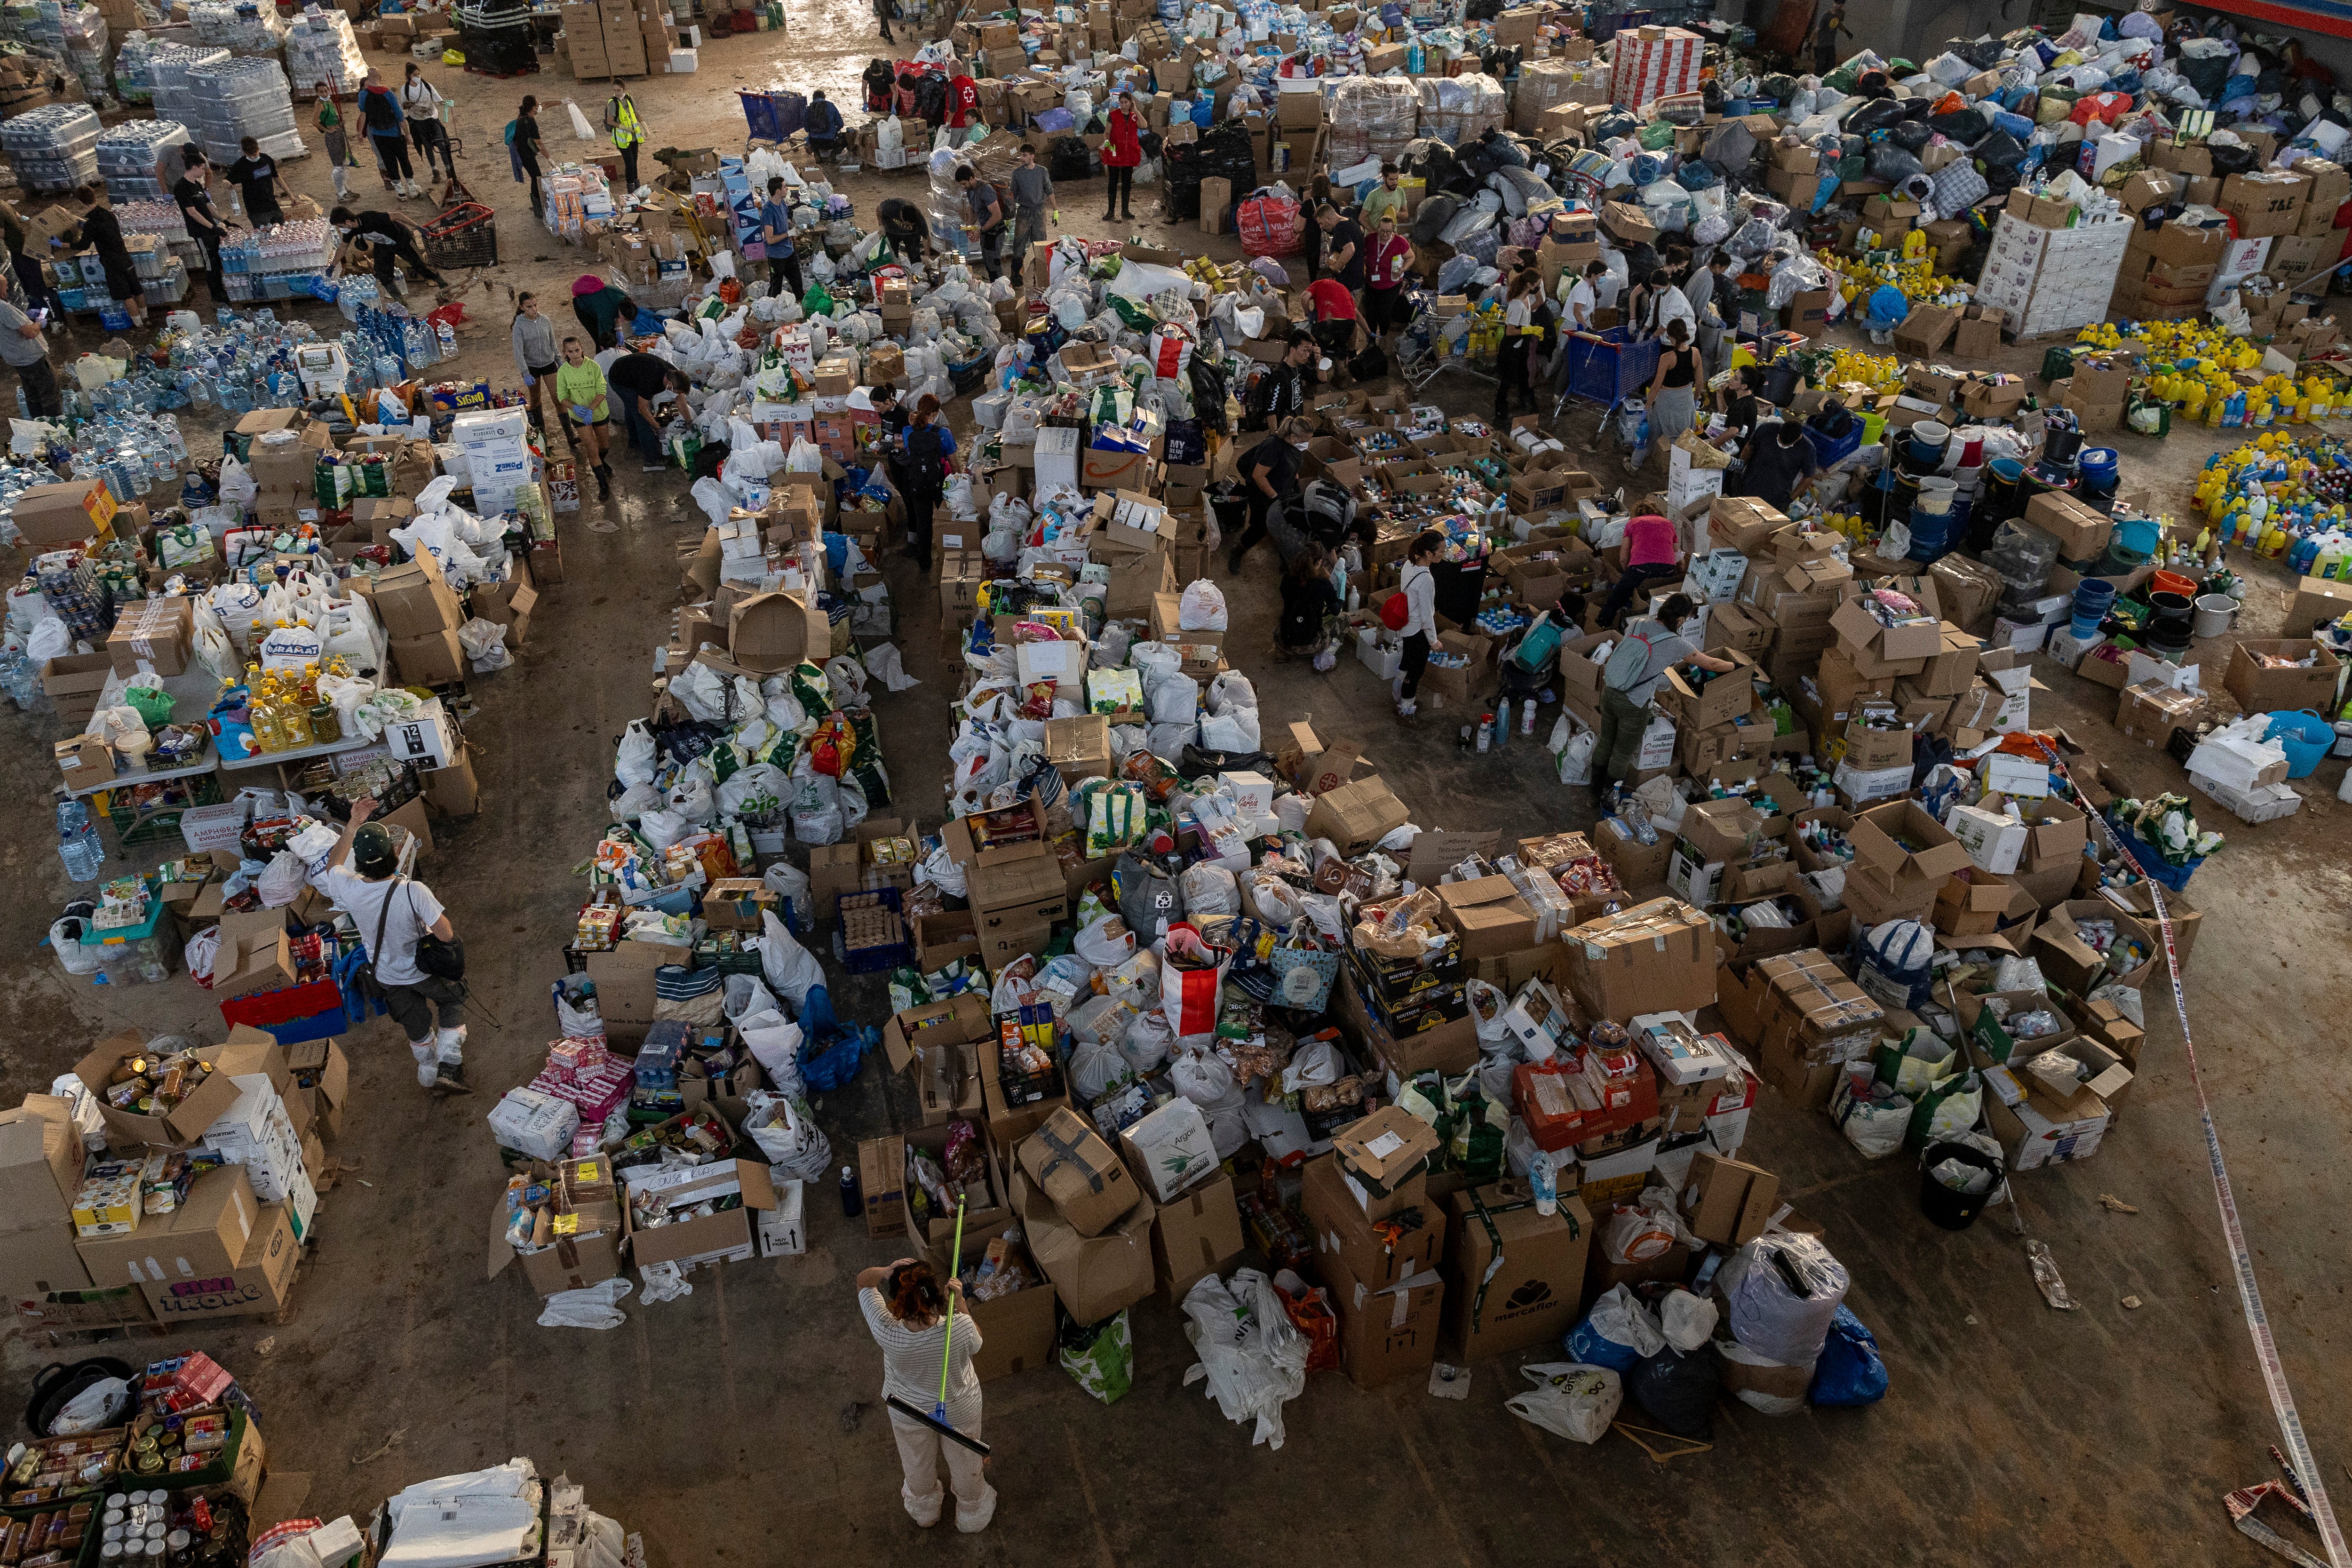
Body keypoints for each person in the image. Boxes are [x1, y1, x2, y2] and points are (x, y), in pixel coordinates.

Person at [316, 801, 469, 1094]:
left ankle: (428, 1072)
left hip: (386, 977)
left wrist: (354, 821)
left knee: (416, 1024)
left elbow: (333, 863)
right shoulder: (413, 891)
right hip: (423, 972)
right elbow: (445, 933)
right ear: (396, 854)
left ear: (358, 863)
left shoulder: (349, 888)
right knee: (452, 998)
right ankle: (450, 1059)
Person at [856, 1258, 993, 1533]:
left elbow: (863, 1281)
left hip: (907, 1409)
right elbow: (976, 1344)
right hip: (959, 1408)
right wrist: (961, 1303)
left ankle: (925, 1512)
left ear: (897, 1299)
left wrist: (884, 1271)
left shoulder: (885, 1329)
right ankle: (972, 1515)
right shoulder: (959, 1327)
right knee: (966, 1459)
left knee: (915, 1459)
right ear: (936, 1297)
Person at [1593, 593, 1734, 803]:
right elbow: (1712, 664)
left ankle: (1593, 795)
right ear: (1680, 620)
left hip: (1610, 691)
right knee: (1621, 755)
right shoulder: (1677, 644)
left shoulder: (1637, 624)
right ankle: (1607, 798)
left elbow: (1631, 662)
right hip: (1634, 704)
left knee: (1605, 742)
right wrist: (1737, 666)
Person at [1227, 415, 1309, 573]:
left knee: (1286, 526)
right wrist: (1274, 497)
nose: (1307, 443)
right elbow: (1258, 476)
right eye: (1306, 439)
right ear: (1293, 437)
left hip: (1283, 489)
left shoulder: (1295, 447)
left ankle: (1286, 561)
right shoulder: (1274, 448)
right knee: (1260, 527)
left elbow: (1293, 466)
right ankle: (1238, 551)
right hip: (1262, 493)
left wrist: (1295, 483)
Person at [65, 185, 143, 329]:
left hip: (112, 262)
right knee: (137, 289)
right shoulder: (110, 214)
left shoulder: (91, 224)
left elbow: (83, 245)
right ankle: (146, 318)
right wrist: (86, 226)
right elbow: (104, 230)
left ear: (81, 203)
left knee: (126, 296)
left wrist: (63, 245)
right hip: (125, 256)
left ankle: (139, 325)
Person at [330, 205, 444, 300]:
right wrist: (332, 265)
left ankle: (442, 283)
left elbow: (398, 215)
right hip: (383, 244)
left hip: (401, 239)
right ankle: (399, 299)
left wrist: (418, 227)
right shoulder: (350, 230)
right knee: (381, 271)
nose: (341, 229)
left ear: (348, 222)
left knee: (419, 265)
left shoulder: (370, 217)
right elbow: (343, 248)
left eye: (341, 226)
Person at [606, 351, 692, 473]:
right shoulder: (650, 381)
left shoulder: (675, 374)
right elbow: (643, 410)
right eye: (675, 391)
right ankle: (651, 461)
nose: (675, 394)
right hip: (619, 380)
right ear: (670, 384)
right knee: (642, 420)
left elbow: (680, 400)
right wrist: (658, 428)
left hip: (630, 372)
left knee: (632, 408)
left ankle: (634, 441)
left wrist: (689, 422)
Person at [1599, 512, 1685, 629]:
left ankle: (1602, 623)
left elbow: (1623, 558)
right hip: (1667, 569)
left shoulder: (1633, 523)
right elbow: (1680, 559)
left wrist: (1628, 575)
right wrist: (1679, 573)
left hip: (1640, 568)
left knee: (1618, 596)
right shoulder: (1669, 524)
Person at [1391, 529, 1442, 723]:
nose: (1443, 555)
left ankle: (1397, 690)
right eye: (1441, 551)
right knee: (1417, 670)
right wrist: (1434, 641)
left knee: (1407, 659)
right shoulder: (1426, 580)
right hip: (1417, 629)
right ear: (1429, 554)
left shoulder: (1409, 565)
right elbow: (1427, 616)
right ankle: (1406, 707)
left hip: (1405, 624)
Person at [899, 392, 955, 564]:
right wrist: (957, 480)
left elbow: (908, 450)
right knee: (946, 519)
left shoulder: (908, 431)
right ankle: (950, 556)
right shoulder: (944, 433)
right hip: (940, 483)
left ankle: (924, 562)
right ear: (936, 414)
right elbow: (954, 463)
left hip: (917, 483)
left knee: (923, 523)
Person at [555, 334, 613, 499]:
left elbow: (602, 389)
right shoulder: (563, 372)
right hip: (580, 417)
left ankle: (602, 461)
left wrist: (591, 409)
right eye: (571, 351)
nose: (575, 354)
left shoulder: (593, 366)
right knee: (591, 449)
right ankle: (603, 485)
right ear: (565, 352)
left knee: (604, 446)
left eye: (577, 350)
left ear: (582, 349)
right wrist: (575, 408)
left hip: (599, 412)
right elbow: (562, 396)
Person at [512, 291, 571, 442]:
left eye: (535, 305)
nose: (534, 309)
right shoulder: (519, 326)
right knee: (536, 398)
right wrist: (525, 372)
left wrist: (560, 361)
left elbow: (552, 343)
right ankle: (542, 435)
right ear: (522, 307)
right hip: (532, 367)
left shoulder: (545, 320)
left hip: (549, 363)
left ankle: (570, 436)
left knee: (558, 398)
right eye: (529, 306)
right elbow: (518, 352)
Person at [1646, 318, 1703, 468]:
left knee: (1654, 435)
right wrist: (1694, 401)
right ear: (1685, 333)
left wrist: (1646, 409)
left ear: (1669, 336)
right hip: (1686, 401)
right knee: (1682, 442)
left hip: (1667, 403)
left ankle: (1637, 463)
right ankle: (1675, 473)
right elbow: (1700, 383)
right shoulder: (1695, 353)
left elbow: (1656, 387)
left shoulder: (1667, 358)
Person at [356, 71, 421, 198]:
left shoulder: (363, 95)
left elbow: (363, 114)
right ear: (381, 77)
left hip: (378, 135)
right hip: (395, 133)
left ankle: (400, 191)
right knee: (404, 160)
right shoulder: (389, 94)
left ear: (368, 79)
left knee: (389, 162)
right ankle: (412, 188)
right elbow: (400, 116)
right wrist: (408, 134)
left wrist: (360, 133)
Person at [173, 161, 229, 303]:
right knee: (210, 263)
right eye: (202, 169)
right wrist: (212, 227)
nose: (204, 172)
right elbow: (192, 212)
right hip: (201, 232)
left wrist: (223, 220)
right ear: (194, 167)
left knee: (217, 260)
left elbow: (207, 206)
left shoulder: (197, 185)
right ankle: (216, 294)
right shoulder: (181, 187)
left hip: (210, 229)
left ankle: (221, 289)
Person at [1736, 417, 1821, 511]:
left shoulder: (1808, 449)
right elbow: (1749, 448)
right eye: (1780, 441)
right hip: (1749, 485)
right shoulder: (1766, 429)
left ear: (1798, 438)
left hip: (1775, 498)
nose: (1782, 445)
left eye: (1786, 445)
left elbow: (1808, 477)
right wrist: (1738, 471)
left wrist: (1789, 500)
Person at [1242, 330, 1317, 431]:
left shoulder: (1299, 367)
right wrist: (1275, 438)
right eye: (1305, 350)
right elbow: (1271, 411)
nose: (1308, 355)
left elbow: (1321, 379)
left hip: (1296, 425)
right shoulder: (1280, 376)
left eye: (1310, 351)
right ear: (1293, 350)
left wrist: (1320, 362)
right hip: (1285, 430)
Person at [1495, 269, 1546, 420]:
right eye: (1537, 285)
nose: (1539, 287)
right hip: (1511, 349)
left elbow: (1541, 300)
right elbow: (1510, 331)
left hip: (1521, 347)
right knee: (1506, 380)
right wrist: (1530, 330)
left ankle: (1526, 399)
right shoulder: (1517, 305)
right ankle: (1500, 409)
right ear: (1529, 285)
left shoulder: (1527, 299)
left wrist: (1531, 331)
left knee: (1523, 374)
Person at [1278, 540, 1342, 656]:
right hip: (1310, 645)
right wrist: (1341, 596)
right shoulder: (1323, 584)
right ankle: (1325, 658)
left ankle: (1283, 654)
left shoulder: (1287, 579)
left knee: (1288, 611)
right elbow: (1336, 611)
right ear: (1318, 563)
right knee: (1344, 618)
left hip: (1284, 641)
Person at [0, 291, 59, 418]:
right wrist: (39, 323)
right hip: (31, 358)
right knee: (49, 393)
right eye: (5, 288)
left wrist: (24, 317)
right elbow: (30, 334)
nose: (7, 290)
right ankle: (56, 426)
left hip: (16, 358)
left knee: (33, 395)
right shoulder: (3, 307)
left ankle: (39, 424)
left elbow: (6, 324)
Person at [1361, 212, 1413, 342]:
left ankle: (1383, 335)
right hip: (1371, 283)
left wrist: (1403, 269)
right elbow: (1362, 253)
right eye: (1382, 231)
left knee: (1384, 313)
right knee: (1371, 313)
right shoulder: (1370, 239)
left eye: (1389, 232)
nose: (1385, 234)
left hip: (1391, 284)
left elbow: (1411, 257)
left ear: (1393, 230)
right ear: (1377, 229)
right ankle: (1371, 340)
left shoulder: (1400, 242)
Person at [1009, 143, 1053, 289]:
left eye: (1025, 155)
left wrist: (1056, 210)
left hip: (1039, 212)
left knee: (1040, 245)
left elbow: (1049, 190)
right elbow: (1012, 195)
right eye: (1020, 155)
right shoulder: (1017, 174)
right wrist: (1009, 215)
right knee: (1019, 244)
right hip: (1024, 212)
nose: (1022, 158)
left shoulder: (1042, 172)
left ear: (1032, 156)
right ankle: (1016, 275)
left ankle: (1039, 276)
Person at [401, 65, 453, 184]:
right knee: (427, 146)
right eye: (415, 75)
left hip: (432, 118)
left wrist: (446, 103)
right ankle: (435, 171)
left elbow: (437, 99)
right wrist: (408, 105)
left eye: (419, 74)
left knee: (442, 144)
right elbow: (403, 105)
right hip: (418, 121)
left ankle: (448, 170)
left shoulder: (428, 86)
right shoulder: (405, 89)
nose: (418, 77)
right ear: (410, 76)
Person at [227, 135, 292, 229]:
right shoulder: (240, 165)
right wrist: (227, 183)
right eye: (251, 155)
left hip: (272, 205)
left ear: (259, 149)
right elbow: (228, 180)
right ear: (245, 153)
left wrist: (290, 195)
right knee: (264, 237)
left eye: (256, 154)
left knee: (281, 231)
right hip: (256, 211)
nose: (254, 157)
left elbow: (276, 177)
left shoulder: (266, 159)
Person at [759, 176, 805, 304]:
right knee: (776, 287)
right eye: (785, 187)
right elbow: (770, 240)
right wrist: (788, 233)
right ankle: (769, 308)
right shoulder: (768, 211)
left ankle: (801, 307)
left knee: (797, 282)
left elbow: (785, 221)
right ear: (778, 191)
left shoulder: (783, 204)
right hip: (776, 256)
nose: (787, 189)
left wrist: (794, 228)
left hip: (789, 251)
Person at [955, 165, 1004, 281]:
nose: (963, 187)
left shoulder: (986, 190)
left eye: (964, 184)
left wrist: (980, 230)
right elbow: (973, 209)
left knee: (994, 265)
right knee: (987, 263)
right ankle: (995, 286)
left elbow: (997, 215)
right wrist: (970, 227)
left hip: (995, 232)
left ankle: (1003, 290)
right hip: (986, 232)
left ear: (972, 179)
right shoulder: (971, 191)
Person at [1101, 92, 1141, 222]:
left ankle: (1125, 211)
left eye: (1126, 102)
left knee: (1127, 184)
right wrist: (1108, 144)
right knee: (1113, 183)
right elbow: (1107, 133)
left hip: (1129, 154)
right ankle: (1110, 212)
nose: (1124, 105)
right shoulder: (1113, 116)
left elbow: (1145, 125)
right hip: (1115, 153)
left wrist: (1135, 110)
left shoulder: (1134, 116)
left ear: (1131, 103)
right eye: (1122, 102)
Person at [1686, 251, 1730, 366]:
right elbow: (1701, 309)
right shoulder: (1708, 280)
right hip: (1689, 317)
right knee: (1695, 351)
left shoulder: (1702, 270)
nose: (1724, 272)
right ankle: (1692, 378)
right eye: (1724, 269)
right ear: (1717, 267)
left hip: (1685, 311)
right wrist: (1716, 321)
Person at [1303, 274, 1359, 358]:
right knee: (1341, 350)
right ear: (1334, 279)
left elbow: (1304, 297)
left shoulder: (1318, 283)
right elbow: (1357, 314)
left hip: (1329, 322)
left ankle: (1318, 366)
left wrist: (1308, 313)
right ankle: (1341, 365)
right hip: (1349, 324)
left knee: (1317, 349)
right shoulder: (1343, 288)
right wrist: (1369, 332)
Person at [315, 84, 355, 201]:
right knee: (338, 165)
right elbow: (315, 122)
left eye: (325, 91)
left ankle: (345, 188)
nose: (324, 93)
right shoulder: (320, 105)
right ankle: (341, 193)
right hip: (333, 136)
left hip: (339, 133)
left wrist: (339, 120)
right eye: (321, 92)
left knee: (342, 162)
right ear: (318, 93)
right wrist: (328, 130)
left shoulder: (330, 102)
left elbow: (333, 115)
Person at [1319, 202, 1365, 299]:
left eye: (1321, 223)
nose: (1321, 227)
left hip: (1348, 281)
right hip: (1357, 277)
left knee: (1346, 312)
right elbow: (1361, 232)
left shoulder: (1340, 228)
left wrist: (1335, 268)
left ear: (1328, 219)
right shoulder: (1351, 221)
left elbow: (1350, 250)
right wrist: (1331, 262)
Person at [572, 273, 630, 349]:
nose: (626, 322)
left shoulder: (625, 300)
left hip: (597, 302)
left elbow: (617, 315)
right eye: (625, 319)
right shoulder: (606, 314)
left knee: (613, 336)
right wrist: (605, 349)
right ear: (621, 313)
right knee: (600, 339)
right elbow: (603, 336)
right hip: (583, 305)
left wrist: (619, 330)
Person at [605, 88, 645, 191]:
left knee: (634, 162)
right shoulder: (613, 103)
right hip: (622, 139)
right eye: (614, 90)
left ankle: (637, 188)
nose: (617, 93)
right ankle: (631, 188)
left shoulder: (629, 98)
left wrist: (645, 127)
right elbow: (610, 121)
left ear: (624, 90)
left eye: (619, 90)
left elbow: (636, 113)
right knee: (630, 163)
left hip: (633, 137)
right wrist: (623, 127)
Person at [513, 96, 545, 216]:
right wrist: (549, 158)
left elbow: (545, 106)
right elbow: (539, 143)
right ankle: (538, 209)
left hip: (522, 152)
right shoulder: (530, 121)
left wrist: (561, 102)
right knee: (537, 178)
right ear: (533, 107)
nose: (539, 105)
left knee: (535, 177)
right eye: (537, 104)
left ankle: (537, 204)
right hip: (526, 155)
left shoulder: (523, 116)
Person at [877, 197, 929, 268]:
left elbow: (926, 237)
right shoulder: (891, 207)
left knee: (915, 257)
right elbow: (879, 209)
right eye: (908, 225)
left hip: (911, 235)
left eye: (912, 225)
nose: (909, 226)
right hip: (892, 231)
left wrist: (927, 257)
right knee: (892, 256)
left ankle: (916, 271)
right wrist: (881, 226)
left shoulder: (919, 219)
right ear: (901, 217)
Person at [1647, 267, 1695, 342]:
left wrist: (1653, 337)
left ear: (1666, 284)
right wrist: (1642, 332)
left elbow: (1667, 324)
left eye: (1657, 288)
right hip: (1667, 336)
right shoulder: (1658, 294)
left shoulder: (1676, 297)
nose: (1654, 290)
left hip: (1680, 337)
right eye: (1653, 288)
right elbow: (1653, 314)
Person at [1717, 363, 1762, 442]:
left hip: (1736, 447)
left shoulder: (1742, 405)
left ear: (1744, 386)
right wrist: (1719, 394)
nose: (1731, 380)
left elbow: (1733, 431)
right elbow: (1725, 413)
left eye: (1736, 379)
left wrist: (1713, 444)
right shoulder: (1741, 395)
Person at [1359, 163, 1408, 229]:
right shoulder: (1374, 195)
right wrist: (1373, 232)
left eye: (1397, 179)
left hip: (1391, 235)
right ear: (1384, 178)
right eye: (1392, 180)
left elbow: (1406, 214)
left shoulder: (1400, 191)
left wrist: (1395, 214)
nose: (1395, 183)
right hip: (1376, 236)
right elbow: (1362, 218)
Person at [1566, 258, 1606, 332]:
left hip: (1583, 322)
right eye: (1603, 275)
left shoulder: (1590, 285)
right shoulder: (1582, 289)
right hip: (1573, 326)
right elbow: (1577, 313)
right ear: (1594, 275)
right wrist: (1587, 328)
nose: (1605, 277)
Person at [1812, 0, 1851, 76]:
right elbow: (1817, 30)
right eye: (1837, 3)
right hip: (1822, 44)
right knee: (1820, 67)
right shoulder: (1826, 16)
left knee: (1831, 66)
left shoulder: (1841, 14)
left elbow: (1839, 24)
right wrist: (1813, 43)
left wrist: (1847, 32)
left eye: (1841, 4)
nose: (1839, 6)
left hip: (1831, 45)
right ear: (1834, 4)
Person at [804, 90, 844, 161]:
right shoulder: (830, 106)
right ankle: (833, 156)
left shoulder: (809, 109)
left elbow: (807, 129)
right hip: (831, 142)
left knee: (810, 138)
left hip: (814, 142)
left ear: (813, 98)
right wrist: (833, 130)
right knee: (846, 139)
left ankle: (817, 154)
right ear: (824, 97)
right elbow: (841, 124)